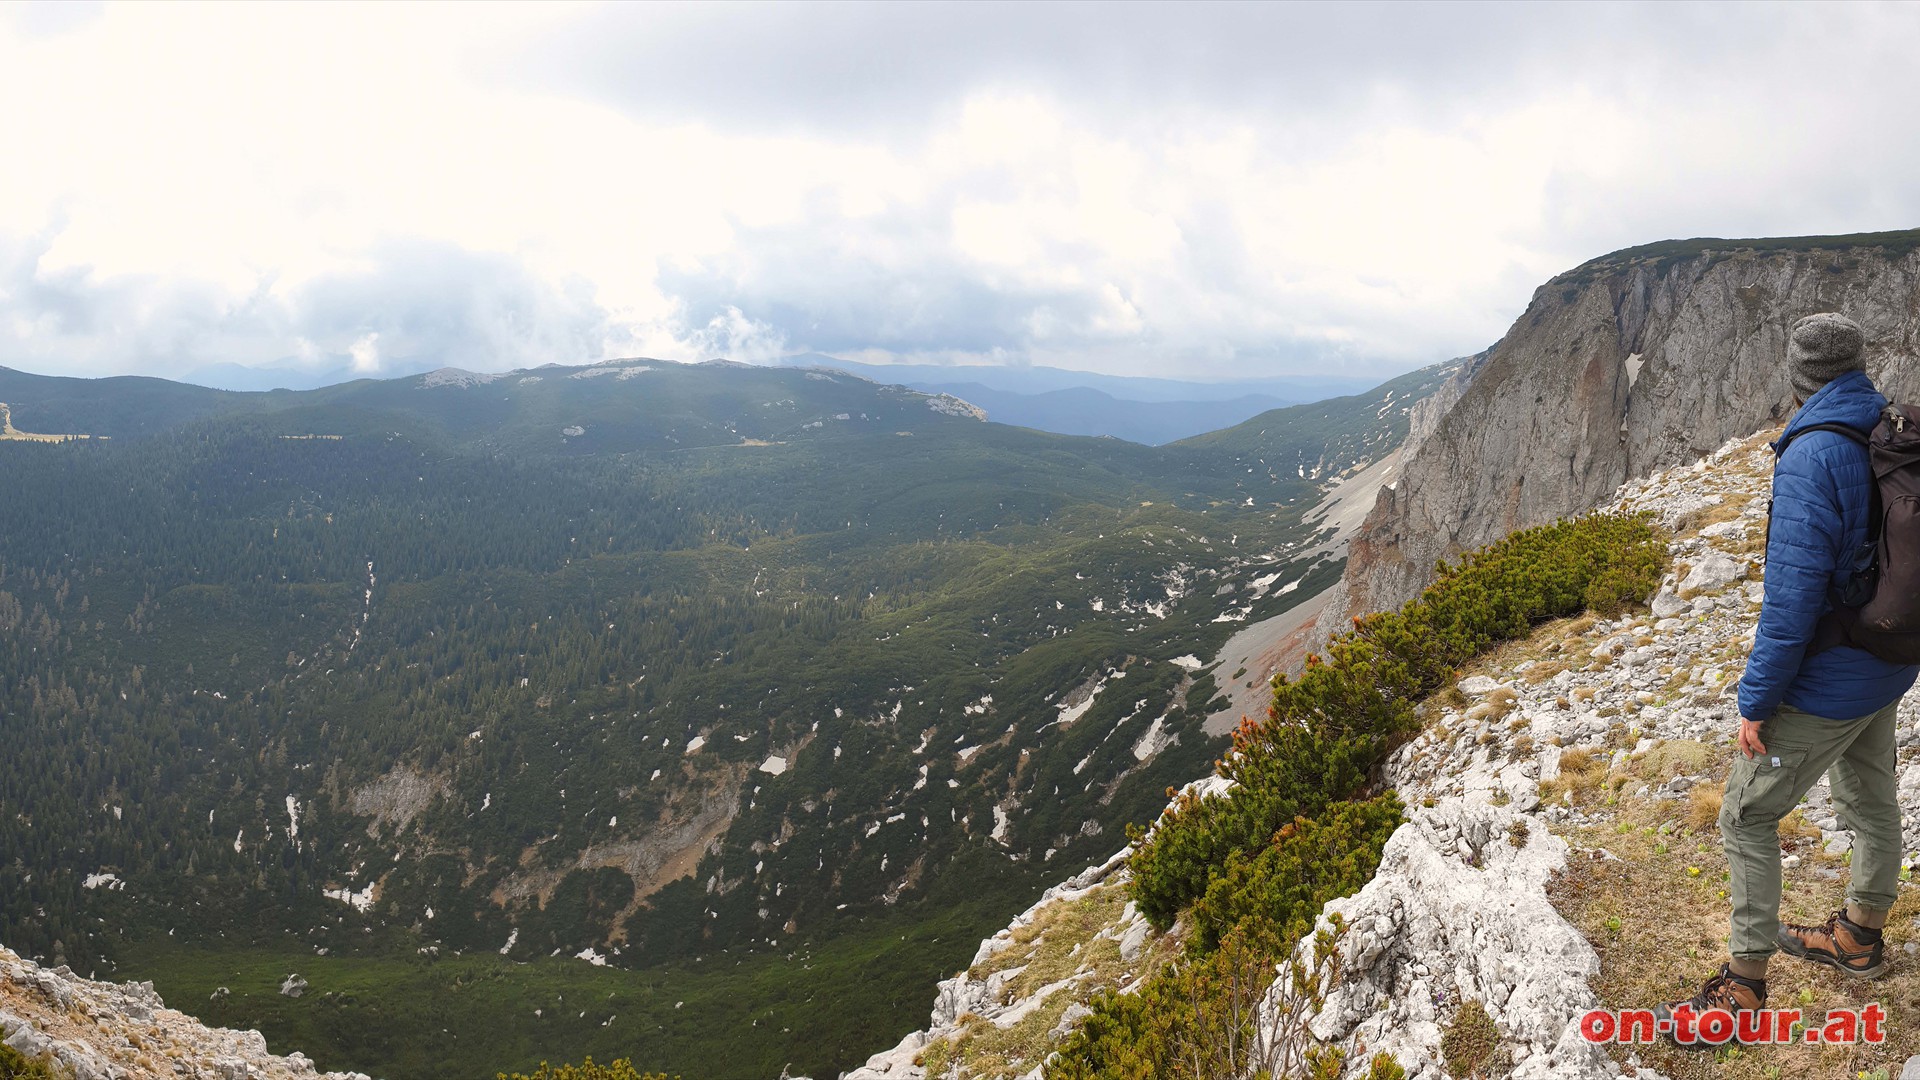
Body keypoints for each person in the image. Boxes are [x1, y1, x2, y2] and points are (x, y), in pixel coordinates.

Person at [1657, 312, 1919, 1038]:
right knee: (1869, 795)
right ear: (1859, 364)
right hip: (1888, 663)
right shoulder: (1890, 427)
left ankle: (1740, 993)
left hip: (1831, 678)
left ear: (1798, 376)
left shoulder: (1811, 455)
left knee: (1746, 814)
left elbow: (1794, 597)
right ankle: (1860, 939)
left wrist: (1756, 701)